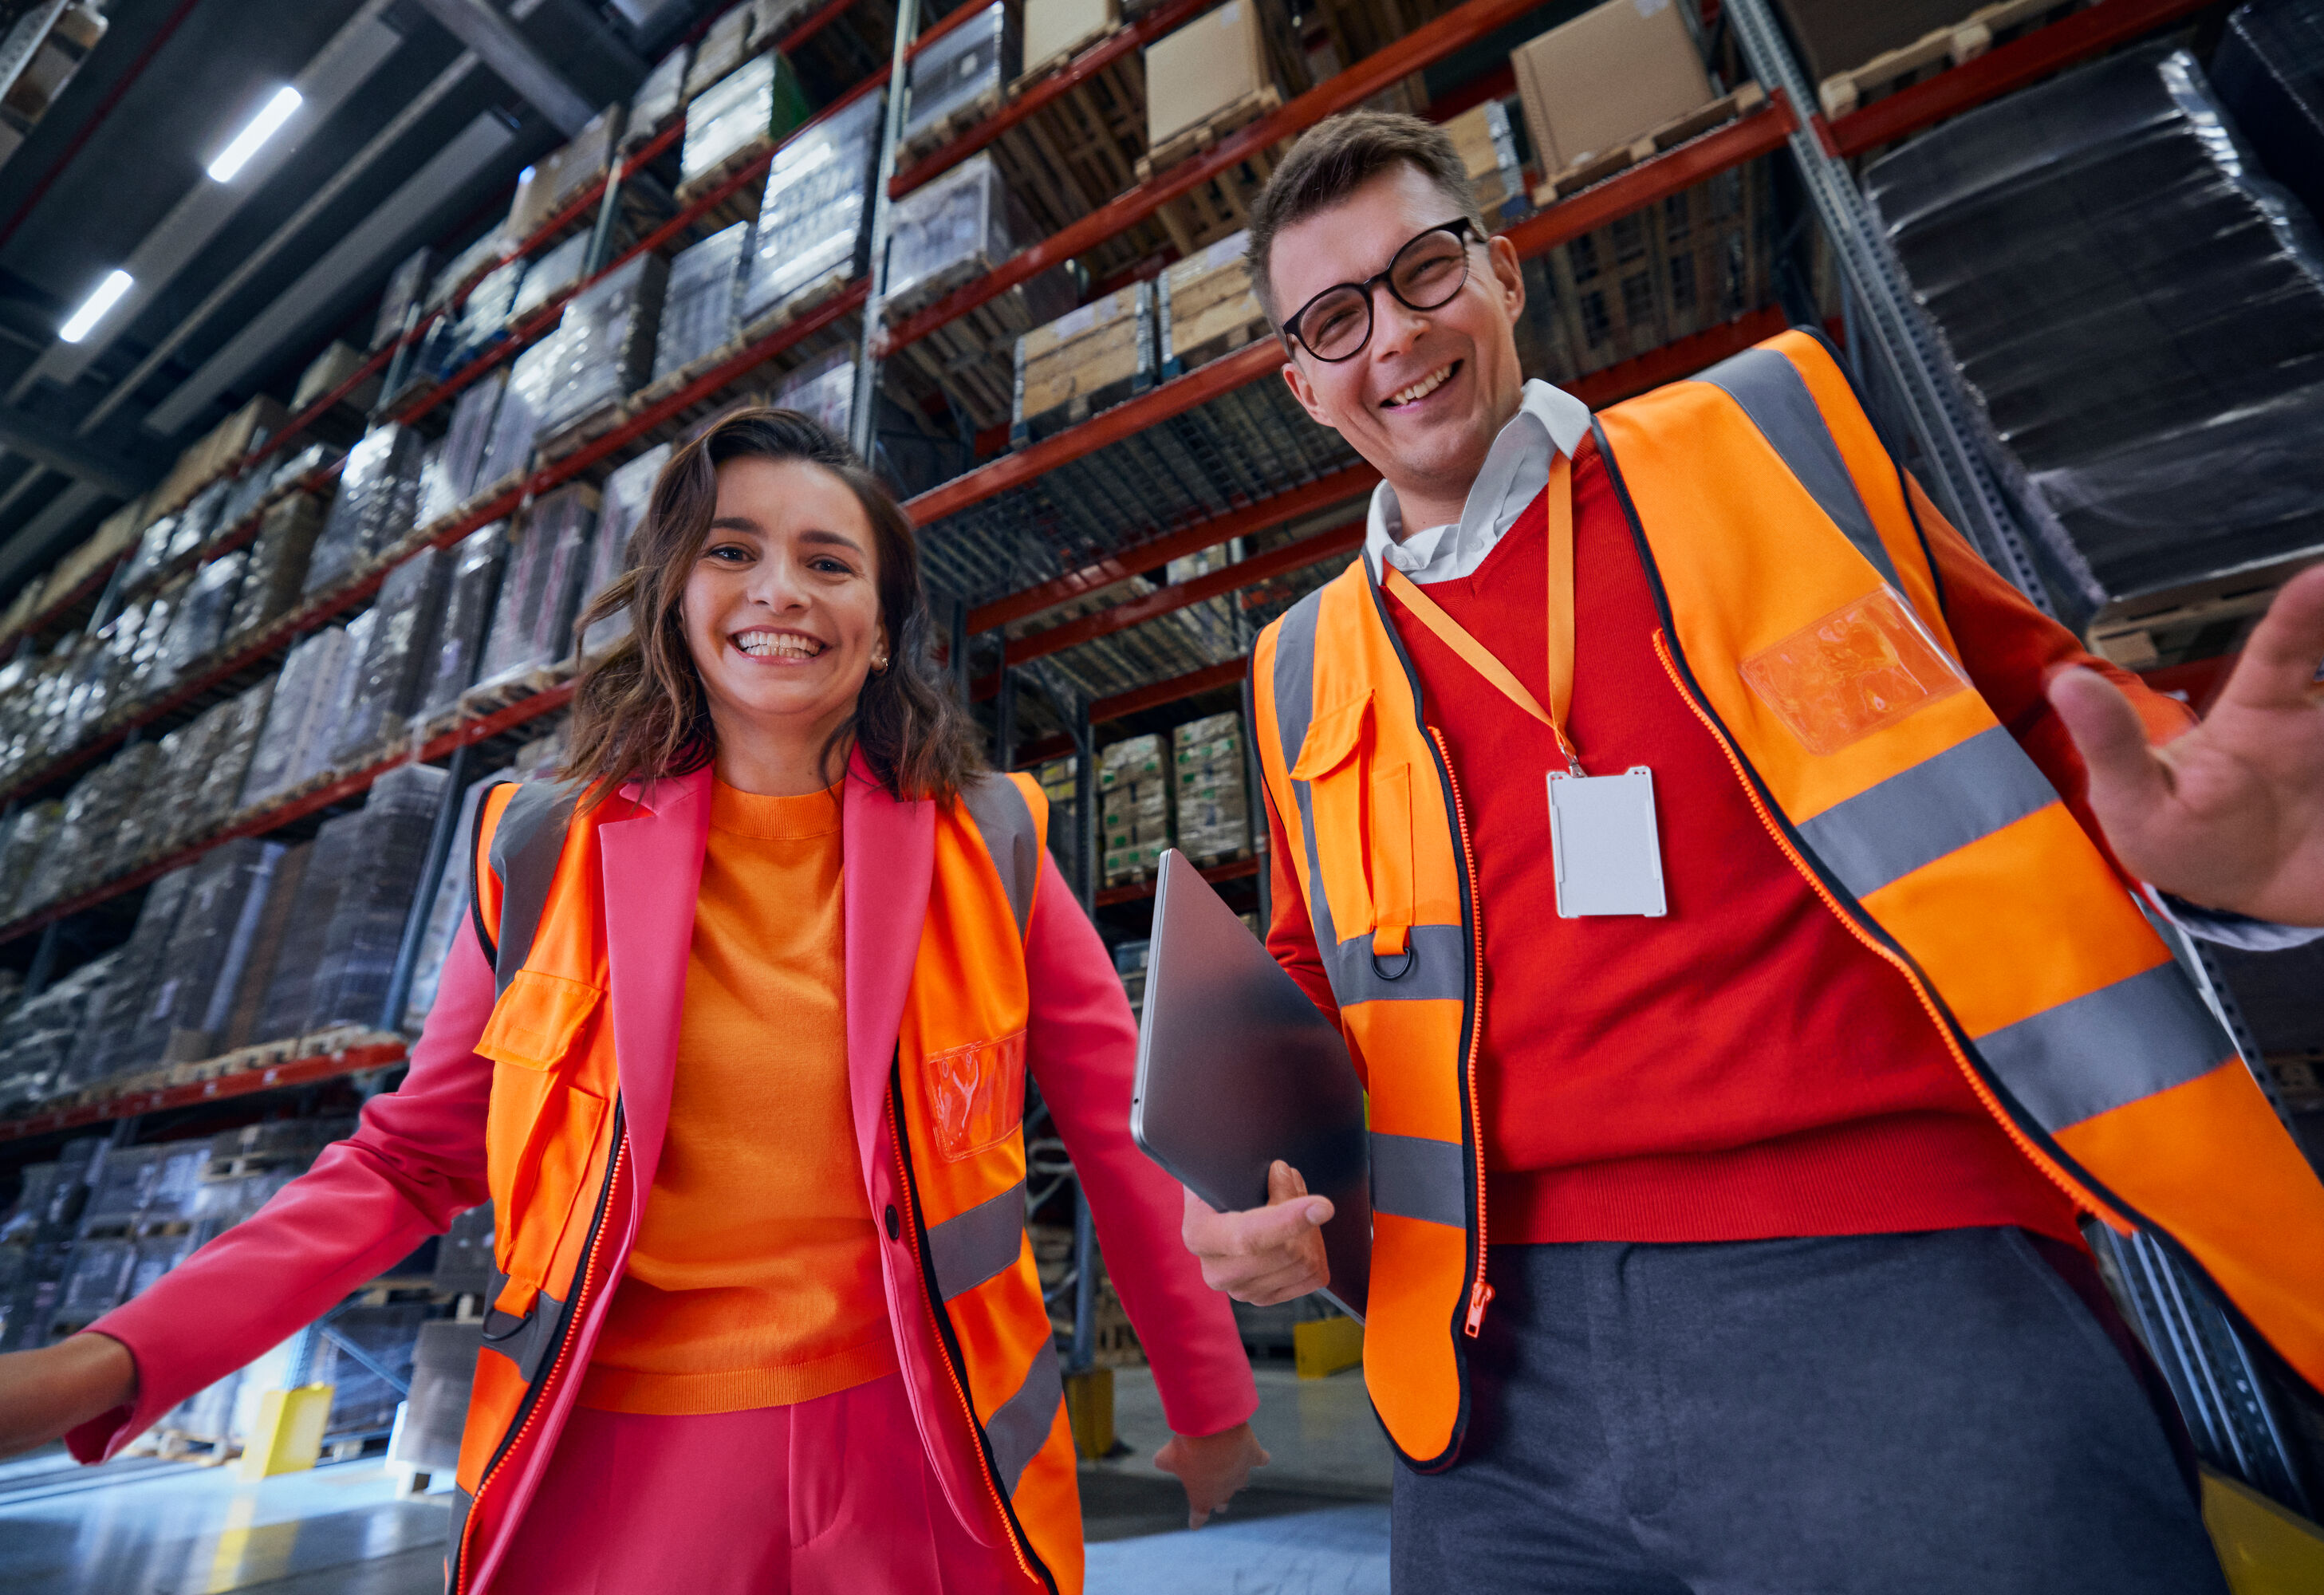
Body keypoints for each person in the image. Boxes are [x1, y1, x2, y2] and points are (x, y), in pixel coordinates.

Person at [1182, 111, 2324, 1593]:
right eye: (1335, 319)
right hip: (1482, 1383)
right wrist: (1241, 1181)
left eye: (1420, 274)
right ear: (1298, 383)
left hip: (1902, 1302)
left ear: (1503, 272)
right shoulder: (1299, 664)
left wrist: (2219, 859)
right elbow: (1310, 980)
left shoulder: (1764, 445)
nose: (1389, 339)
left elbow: (2060, 732)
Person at [0, 408, 1267, 1594]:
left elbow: (1120, 1127)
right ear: (674, 598)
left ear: (882, 628)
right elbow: (406, 1163)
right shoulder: (542, 847)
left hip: (929, 1454)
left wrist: (1210, 1398)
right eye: (732, 550)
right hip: (617, 1461)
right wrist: (109, 1364)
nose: (779, 589)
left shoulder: (992, 839)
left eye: (829, 563)